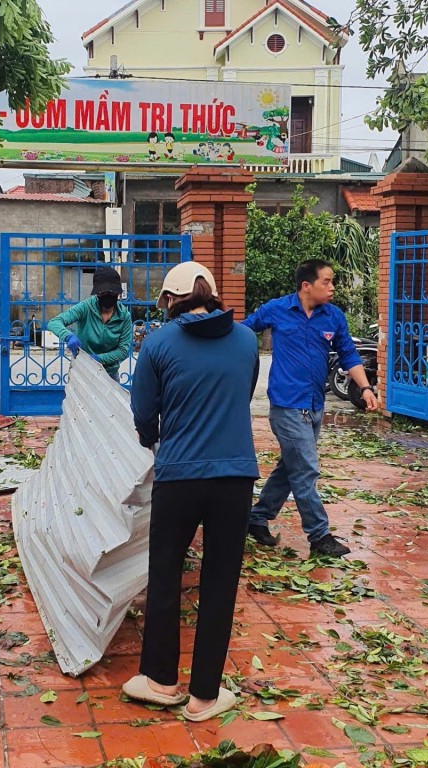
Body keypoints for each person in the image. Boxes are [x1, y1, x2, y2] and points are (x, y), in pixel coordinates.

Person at [123, 261, 259, 722]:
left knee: (165, 574)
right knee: (219, 583)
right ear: (213, 293)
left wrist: (155, 438)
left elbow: (143, 412)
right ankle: (205, 696)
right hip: (235, 476)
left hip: (179, 475)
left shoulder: (158, 343)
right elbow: (241, 393)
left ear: (170, 300)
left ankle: (161, 681)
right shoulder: (245, 340)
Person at [243, 259, 379, 557]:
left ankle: (256, 517)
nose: (332, 288)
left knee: (290, 466)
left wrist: (366, 388)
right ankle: (319, 536)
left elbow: (349, 355)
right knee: (305, 469)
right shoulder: (276, 309)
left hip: (315, 405)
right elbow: (242, 331)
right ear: (307, 286)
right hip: (287, 406)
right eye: (326, 282)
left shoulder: (333, 317)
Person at [47, 265, 134, 379]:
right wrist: (68, 336)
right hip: (82, 370)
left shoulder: (124, 316)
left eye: (111, 293)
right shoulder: (86, 307)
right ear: (97, 294)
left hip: (109, 374)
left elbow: (123, 351)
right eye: (103, 293)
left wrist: (98, 359)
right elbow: (54, 322)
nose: (107, 296)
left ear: (118, 293)